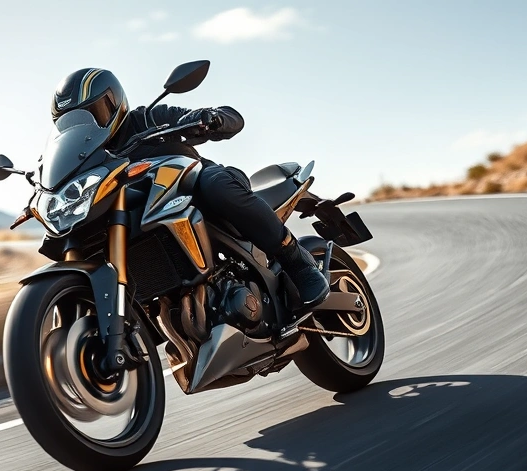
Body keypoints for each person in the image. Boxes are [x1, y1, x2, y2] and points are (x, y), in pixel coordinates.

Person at [51, 68, 329, 314]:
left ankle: (296, 261)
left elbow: (234, 118)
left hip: (195, 182)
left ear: (115, 103)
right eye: (73, 124)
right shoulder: (87, 160)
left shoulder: (148, 119)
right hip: (138, 209)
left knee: (215, 185)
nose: (87, 127)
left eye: (94, 113)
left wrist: (210, 118)